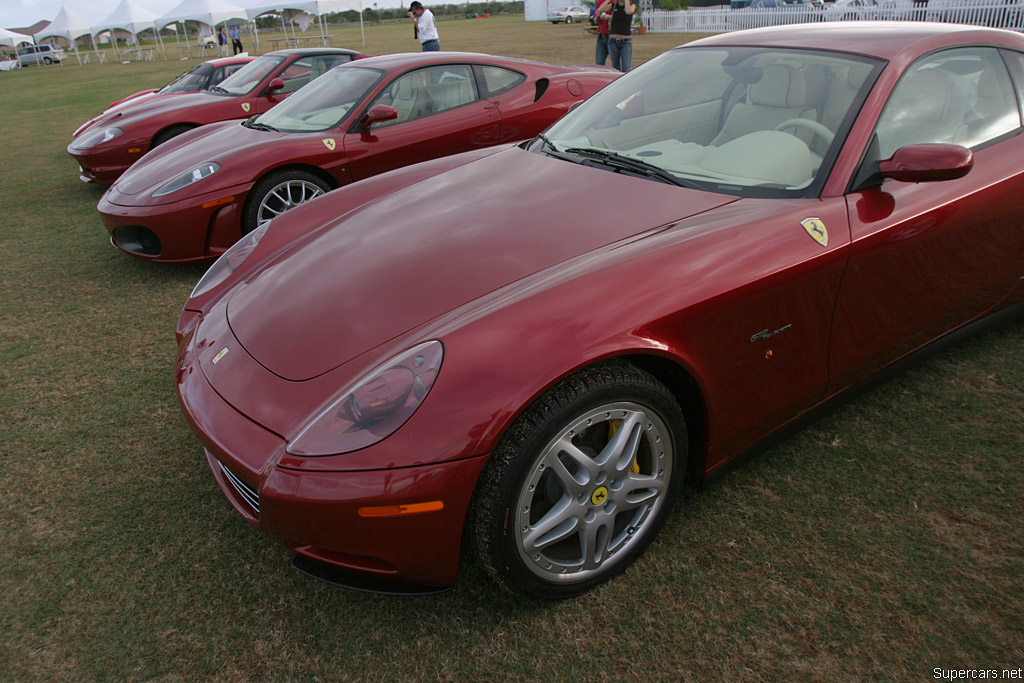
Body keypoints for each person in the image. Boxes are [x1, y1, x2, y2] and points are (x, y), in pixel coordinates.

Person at [607, 0, 636, 72]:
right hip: (613, 41)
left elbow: (628, 12)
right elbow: (599, 10)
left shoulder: (632, 6)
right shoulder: (613, 6)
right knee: (615, 68)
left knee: (626, 68)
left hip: (625, 41)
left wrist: (626, 1)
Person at [593, 0, 612, 66]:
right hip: (602, 36)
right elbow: (596, 21)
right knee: (599, 63)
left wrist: (609, 17)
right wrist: (599, 16)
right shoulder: (600, 2)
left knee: (615, 63)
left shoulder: (616, 2)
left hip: (613, 36)